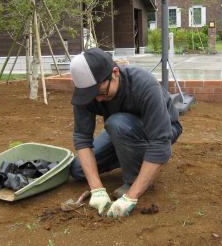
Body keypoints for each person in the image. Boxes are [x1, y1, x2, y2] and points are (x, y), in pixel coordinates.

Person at [69, 48, 182, 217]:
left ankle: (135, 179)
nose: (97, 99)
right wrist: (96, 188)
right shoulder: (87, 92)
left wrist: (131, 197)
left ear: (115, 73)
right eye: (90, 95)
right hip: (123, 129)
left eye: (100, 93)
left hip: (163, 129)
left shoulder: (143, 85)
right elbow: (82, 138)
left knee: (117, 123)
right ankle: (130, 152)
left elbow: (160, 142)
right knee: (78, 170)